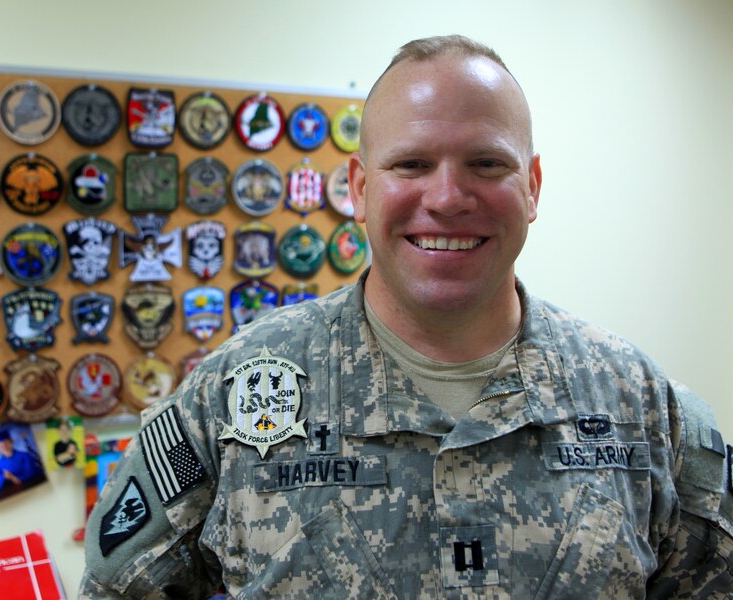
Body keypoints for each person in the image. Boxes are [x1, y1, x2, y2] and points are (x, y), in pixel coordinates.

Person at [80, 35, 733, 598]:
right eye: (412, 164)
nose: (447, 198)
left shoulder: (637, 402)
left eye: (487, 163)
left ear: (532, 186)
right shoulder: (239, 393)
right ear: (361, 188)